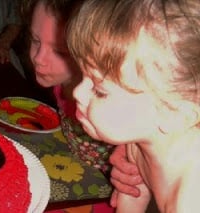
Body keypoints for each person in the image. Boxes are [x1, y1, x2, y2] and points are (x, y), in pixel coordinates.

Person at [67, 0, 200, 212]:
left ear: (173, 112)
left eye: (100, 91)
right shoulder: (139, 143)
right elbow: (133, 195)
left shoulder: (191, 199)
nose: (77, 92)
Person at [23, 0, 115, 212]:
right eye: (35, 40)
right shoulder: (60, 82)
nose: (38, 59)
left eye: (60, 52)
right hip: (69, 173)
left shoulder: (106, 104)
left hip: (100, 198)